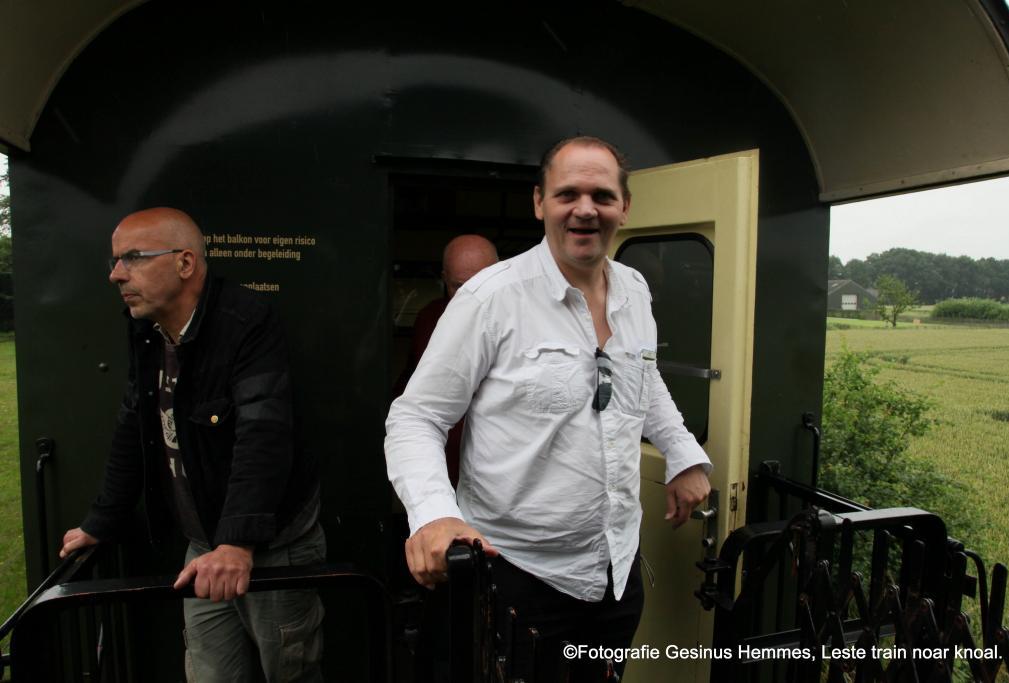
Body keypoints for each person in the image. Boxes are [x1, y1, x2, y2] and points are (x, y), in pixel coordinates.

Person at [385, 137, 712, 680]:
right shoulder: (490, 298)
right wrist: (435, 516)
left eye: (602, 196)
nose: (585, 209)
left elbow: (643, 376)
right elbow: (416, 417)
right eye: (568, 194)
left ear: (625, 207)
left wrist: (682, 453)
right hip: (515, 579)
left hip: (616, 574)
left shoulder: (635, 290)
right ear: (540, 202)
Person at [59, 207, 324, 682]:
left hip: (273, 547)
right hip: (203, 545)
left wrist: (237, 544)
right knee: (209, 673)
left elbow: (263, 434)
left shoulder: (245, 321)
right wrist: (102, 521)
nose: (116, 274)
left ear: (184, 263)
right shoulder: (147, 329)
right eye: (116, 260)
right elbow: (135, 426)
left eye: (133, 258)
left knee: (290, 671)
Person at [394, 234, 499, 486]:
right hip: (443, 468)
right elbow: (410, 394)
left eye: (482, 284)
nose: (472, 297)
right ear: (444, 279)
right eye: (459, 287)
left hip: (501, 474)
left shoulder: (526, 320)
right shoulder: (429, 319)